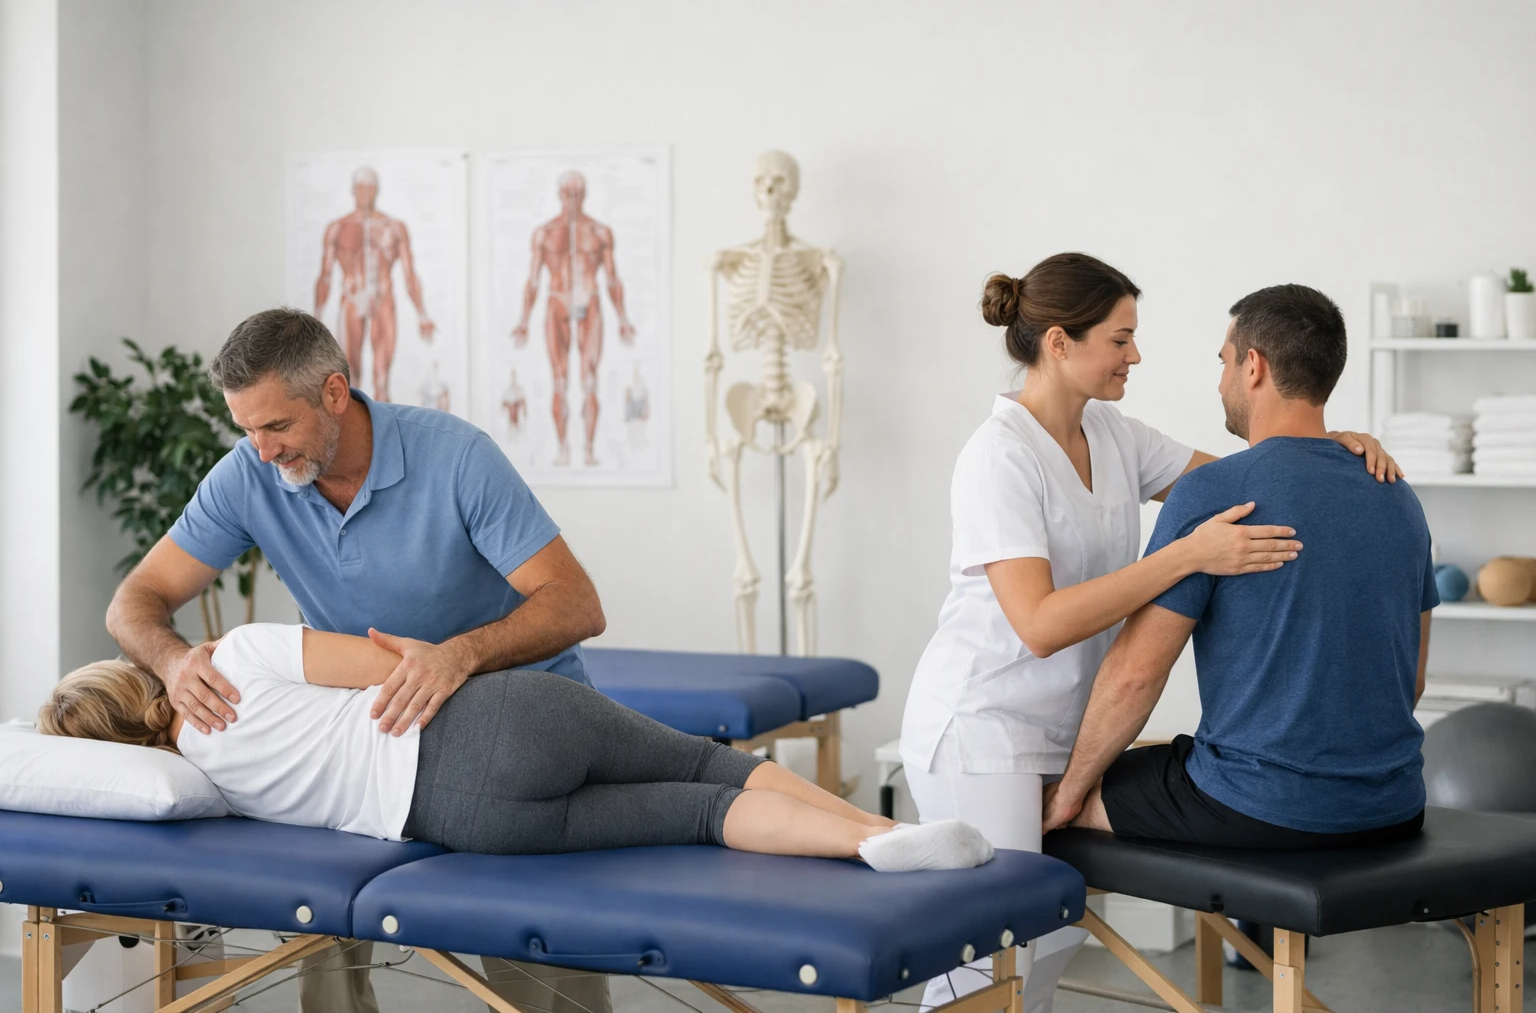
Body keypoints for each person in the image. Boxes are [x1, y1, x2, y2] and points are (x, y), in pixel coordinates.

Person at [898, 254, 1401, 1013]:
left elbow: (1250, 478)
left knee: (1055, 935)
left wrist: (1332, 444)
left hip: (1065, 729)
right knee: (993, 951)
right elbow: (1038, 624)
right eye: (1120, 339)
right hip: (983, 726)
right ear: (1060, 342)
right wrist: (1185, 555)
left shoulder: (1112, 432)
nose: (1136, 355)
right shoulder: (996, 458)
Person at [104, 308, 598, 1013]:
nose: (262, 451)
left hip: (516, 731)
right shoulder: (249, 474)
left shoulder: (456, 457)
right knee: (324, 968)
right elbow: (134, 601)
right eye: (246, 429)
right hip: (375, 748)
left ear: (335, 393)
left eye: (277, 426)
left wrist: (459, 656)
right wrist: (175, 663)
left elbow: (577, 604)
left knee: (541, 986)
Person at [40, 623, 992, 873]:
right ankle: (877, 828)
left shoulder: (195, 780)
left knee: (702, 817)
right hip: (495, 721)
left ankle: (862, 852)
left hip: (465, 822)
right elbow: (394, 663)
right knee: (708, 764)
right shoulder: (238, 654)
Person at [1042, 284, 1433, 850]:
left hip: (1259, 808)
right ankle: (1242, 938)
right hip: (1394, 806)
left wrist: (1070, 793)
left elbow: (1135, 676)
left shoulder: (1216, 494)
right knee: (1178, 755)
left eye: (1224, 362)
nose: (1220, 380)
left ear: (1254, 366)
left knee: (1062, 791)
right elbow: (1412, 681)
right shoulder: (1395, 493)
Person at [511, 170, 637, 467]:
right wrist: (524, 320)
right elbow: (532, 280)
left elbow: (612, 279)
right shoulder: (544, 233)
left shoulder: (599, 232)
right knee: (559, 379)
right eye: (567, 192)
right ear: (559, 194)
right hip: (556, 304)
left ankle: (589, 449)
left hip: (590, 303)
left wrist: (623, 318)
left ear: (585, 194)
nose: (572, 198)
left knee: (589, 379)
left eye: (577, 192)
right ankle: (563, 447)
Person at [314, 166, 436, 403]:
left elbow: (410, 275)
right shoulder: (338, 228)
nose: (366, 192)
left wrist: (422, 315)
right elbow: (325, 276)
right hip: (352, 298)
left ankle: (383, 434)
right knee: (349, 375)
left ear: (377, 190)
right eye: (361, 187)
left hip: (383, 299)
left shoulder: (394, 228)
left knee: (382, 377)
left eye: (370, 187)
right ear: (353, 190)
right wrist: (315, 319)